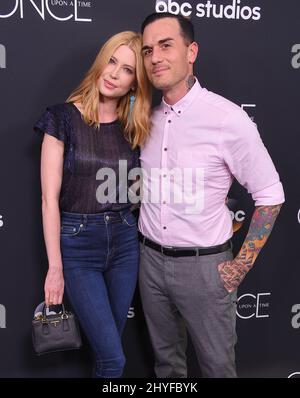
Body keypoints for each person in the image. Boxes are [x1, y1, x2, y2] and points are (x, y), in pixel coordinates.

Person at [138, 12, 285, 378]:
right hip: (149, 263)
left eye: (166, 45)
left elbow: (270, 194)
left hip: (205, 269)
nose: (155, 57)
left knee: (218, 367)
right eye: (147, 50)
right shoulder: (144, 118)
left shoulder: (227, 118)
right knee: (167, 367)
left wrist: (239, 267)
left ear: (192, 51)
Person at [34, 31, 151, 378]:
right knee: (114, 360)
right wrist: (55, 267)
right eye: (111, 62)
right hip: (78, 245)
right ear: (101, 62)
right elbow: (48, 200)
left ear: (135, 83)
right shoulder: (62, 119)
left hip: (126, 243)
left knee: (108, 351)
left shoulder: (135, 129)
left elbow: (135, 190)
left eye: (127, 70)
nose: (114, 74)